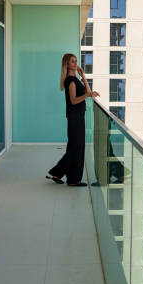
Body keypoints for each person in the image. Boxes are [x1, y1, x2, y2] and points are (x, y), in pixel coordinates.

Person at [47, 53, 98, 186]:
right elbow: (74, 101)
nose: (75, 64)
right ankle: (73, 180)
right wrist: (87, 94)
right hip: (75, 118)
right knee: (76, 148)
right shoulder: (70, 80)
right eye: (72, 62)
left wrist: (84, 77)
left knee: (75, 147)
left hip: (78, 117)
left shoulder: (76, 78)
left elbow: (89, 93)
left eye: (76, 61)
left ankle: (56, 172)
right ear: (67, 64)